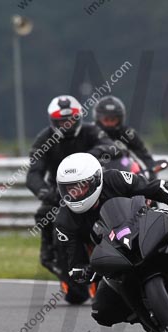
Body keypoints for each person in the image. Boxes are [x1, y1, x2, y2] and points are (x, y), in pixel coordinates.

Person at [53, 152, 168, 323]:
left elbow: (156, 186)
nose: (75, 193)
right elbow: (74, 262)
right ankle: (148, 316)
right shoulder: (64, 221)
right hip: (115, 255)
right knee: (101, 312)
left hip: (146, 224)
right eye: (69, 189)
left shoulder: (114, 179)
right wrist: (83, 272)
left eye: (81, 187)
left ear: (96, 180)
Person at [25, 95, 117, 280]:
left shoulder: (91, 131)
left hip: (92, 186)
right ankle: (49, 253)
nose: (67, 125)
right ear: (53, 121)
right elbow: (33, 174)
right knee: (45, 214)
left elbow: (111, 146)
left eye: (71, 120)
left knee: (115, 206)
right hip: (60, 192)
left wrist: (93, 154)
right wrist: (45, 192)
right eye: (61, 121)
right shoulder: (44, 139)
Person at [94, 95, 158, 179]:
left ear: (120, 119)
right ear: (98, 119)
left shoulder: (128, 134)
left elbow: (144, 156)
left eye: (113, 120)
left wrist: (150, 173)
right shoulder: (90, 133)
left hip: (125, 174)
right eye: (106, 120)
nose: (109, 123)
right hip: (95, 176)